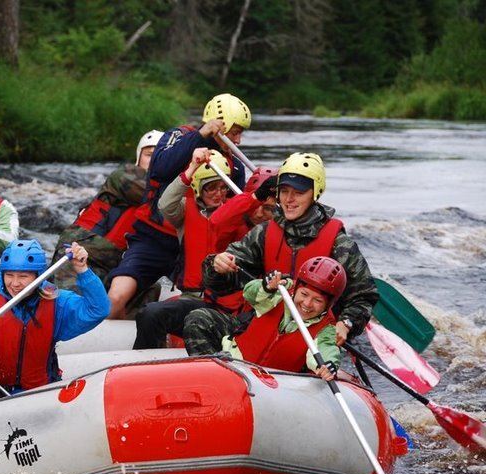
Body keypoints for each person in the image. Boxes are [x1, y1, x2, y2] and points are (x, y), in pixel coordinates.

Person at [185, 152, 379, 356]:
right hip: (264, 325)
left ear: (315, 193)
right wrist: (217, 265)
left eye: (298, 192)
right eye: (284, 191)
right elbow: (220, 285)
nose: (289, 199)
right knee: (198, 320)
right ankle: (223, 381)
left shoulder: (340, 245)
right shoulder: (265, 232)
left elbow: (364, 296)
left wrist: (346, 323)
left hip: (310, 338)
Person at [107, 93, 251, 319]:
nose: (239, 140)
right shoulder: (178, 136)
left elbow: (236, 213)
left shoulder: (234, 166)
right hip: (153, 239)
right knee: (116, 298)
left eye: (241, 134)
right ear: (218, 125)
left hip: (194, 246)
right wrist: (201, 136)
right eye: (235, 132)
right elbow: (160, 169)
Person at [0, 239, 110, 393]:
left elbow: (98, 310)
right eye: (10, 275)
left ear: (38, 277)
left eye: (23, 276)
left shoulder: (57, 303)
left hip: (38, 392)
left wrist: (82, 270)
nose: (15, 283)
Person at [131, 148, 233, 349]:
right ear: (198, 188)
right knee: (149, 314)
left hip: (225, 302)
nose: (218, 194)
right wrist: (192, 168)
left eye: (223, 187)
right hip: (191, 296)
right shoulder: (185, 211)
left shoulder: (237, 211)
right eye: (211, 188)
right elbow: (165, 204)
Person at [186, 256, 345, 381]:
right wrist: (266, 287)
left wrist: (327, 366)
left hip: (271, 385)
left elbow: (327, 350)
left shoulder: (327, 328)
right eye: (304, 294)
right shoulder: (282, 288)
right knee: (199, 319)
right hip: (234, 361)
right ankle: (210, 375)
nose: (307, 304)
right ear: (297, 289)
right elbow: (250, 293)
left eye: (318, 301)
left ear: (328, 305)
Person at [52, 129, 163, 292]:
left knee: (152, 290)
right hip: (77, 258)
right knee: (73, 305)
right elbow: (161, 199)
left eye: (160, 156)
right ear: (138, 157)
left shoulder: (174, 189)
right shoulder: (123, 176)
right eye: (149, 155)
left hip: (113, 267)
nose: (154, 160)